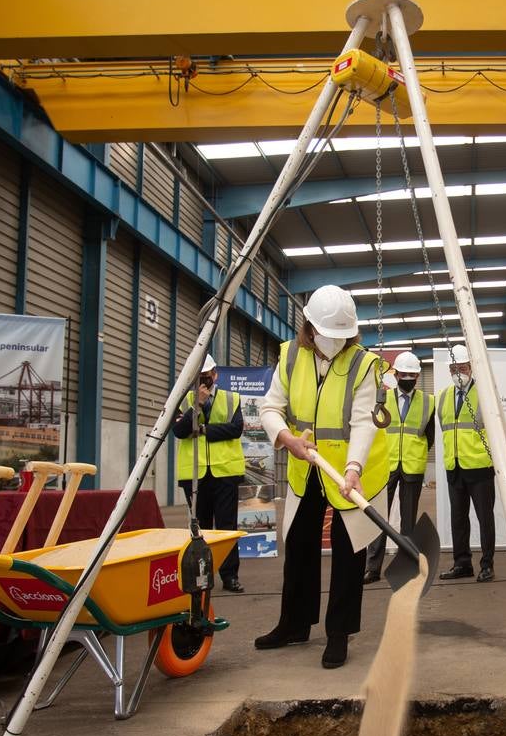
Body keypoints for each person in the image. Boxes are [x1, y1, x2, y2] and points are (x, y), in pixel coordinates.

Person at [255, 284, 389, 669]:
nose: (334, 343)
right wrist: (285, 438)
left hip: (351, 473)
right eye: (327, 335)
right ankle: (293, 624)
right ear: (309, 327)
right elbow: (271, 407)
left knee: (349, 552)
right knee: (299, 544)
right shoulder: (291, 356)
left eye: (342, 336)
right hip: (305, 467)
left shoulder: (365, 364)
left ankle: (339, 634)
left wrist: (353, 468)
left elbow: (363, 421)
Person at [170, 353, 245, 592]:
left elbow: (235, 429)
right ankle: (201, 574)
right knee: (199, 527)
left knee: (226, 527)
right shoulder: (184, 400)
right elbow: (180, 431)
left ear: (215, 375)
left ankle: (230, 575)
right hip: (194, 474)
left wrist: (202, 429)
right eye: (199, 378)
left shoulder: (232, 398)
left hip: (225, 471)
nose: (204, 383)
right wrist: (198, 405)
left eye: (207, 377)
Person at [365, 351, 435, 585]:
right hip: (386, 464)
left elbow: (430, 436)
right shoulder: (382, 398)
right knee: (378, 517)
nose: (408, 377)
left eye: (412, 374)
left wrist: (416, 453)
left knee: (408, 521)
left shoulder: (428, 401)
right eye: (403, 373)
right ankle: (372, 568)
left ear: (417, 376)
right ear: (395, 374)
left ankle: (406, 566)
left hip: (412, 467)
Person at [437, 344, 496, 583]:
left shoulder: (485, 393)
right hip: (455, 467)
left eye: (461, 367)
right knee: (458, 519)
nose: (457, 372)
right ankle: (462, 563)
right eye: (454, 368)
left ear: (471, 368)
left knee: (485, 518)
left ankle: (487, 564)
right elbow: (445, 429)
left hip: (480, 467)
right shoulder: (443, 397)